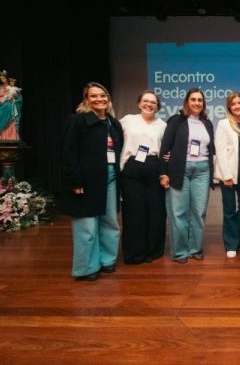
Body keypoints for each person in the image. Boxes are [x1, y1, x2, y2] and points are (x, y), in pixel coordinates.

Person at [62, 82, 123, 281]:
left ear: (108, 98)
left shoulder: (113, 124)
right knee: (86, 226)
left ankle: (107, 261)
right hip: (86, 179)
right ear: (86, 100)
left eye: (103, 95)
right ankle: (87, 268)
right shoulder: (77, 121)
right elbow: (68, 153)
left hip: (111, 176)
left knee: (110, 221)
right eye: (94, 96)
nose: (99, 99)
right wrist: (75, 181)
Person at [159, 88, 215, 264]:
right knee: (179, 213)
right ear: (187, 102)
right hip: (179, 170)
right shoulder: (176, 121)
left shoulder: (207, 123)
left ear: (203, 103)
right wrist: (163, 173)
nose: (197, 103)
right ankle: (180, 252)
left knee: (199, 212)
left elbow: (211, 149)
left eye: (200, 100)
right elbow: (165, 148)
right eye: (193, 99)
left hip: (202, 171)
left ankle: (195, 249)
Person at [119, 90, 167, 264]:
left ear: (157, 106)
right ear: (139, 104)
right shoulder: (127, 120)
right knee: (134, 211)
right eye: (146, 101)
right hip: (132, 168)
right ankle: (134, 253)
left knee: (156, 211)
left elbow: (166, 148)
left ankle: (153, 251)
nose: (149, 104)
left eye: (153, 102)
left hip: (154, 167)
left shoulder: (162, 125)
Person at [214, 92, 240, 259]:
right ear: (229, 107)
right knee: (230, 210)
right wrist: (226, 175)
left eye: (239, 103)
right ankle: (231, 243)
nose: (237, 106)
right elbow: (221, 151)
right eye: (233, 104)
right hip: (229, 174)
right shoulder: (224, 124)